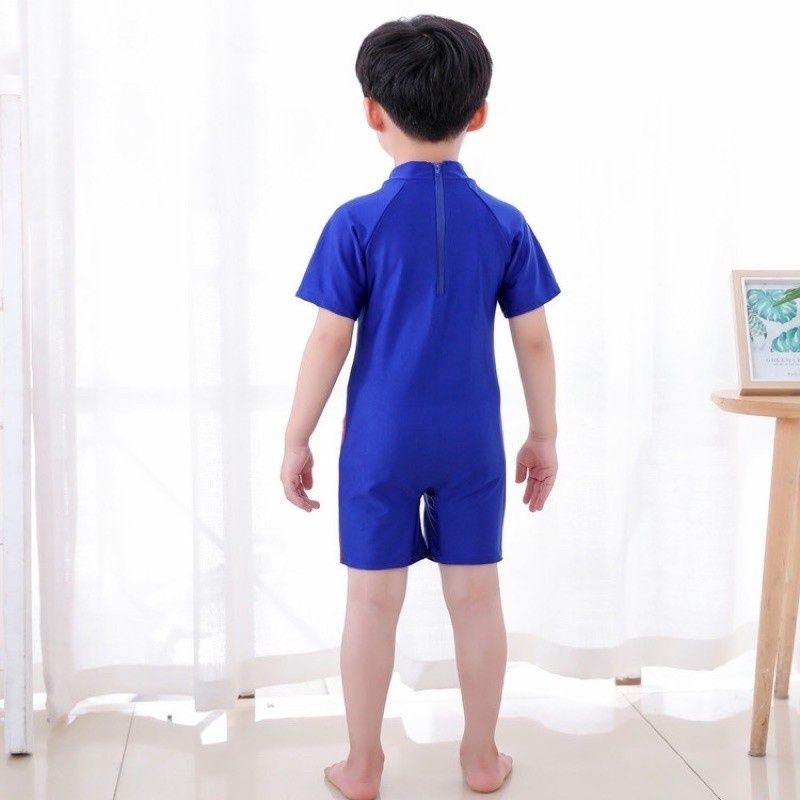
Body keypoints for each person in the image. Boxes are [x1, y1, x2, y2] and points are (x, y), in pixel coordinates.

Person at [280, 14, 560, 800]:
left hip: (380, 440)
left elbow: (329, 340)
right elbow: (535, 341)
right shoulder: (505, 222)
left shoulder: (356, 222)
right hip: (472, 438)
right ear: (479, 113)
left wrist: (297, 438)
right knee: (476, 597)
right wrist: (543, 434)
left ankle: (363, 764)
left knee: (372, 601)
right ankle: (481, 758)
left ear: (373, 111)